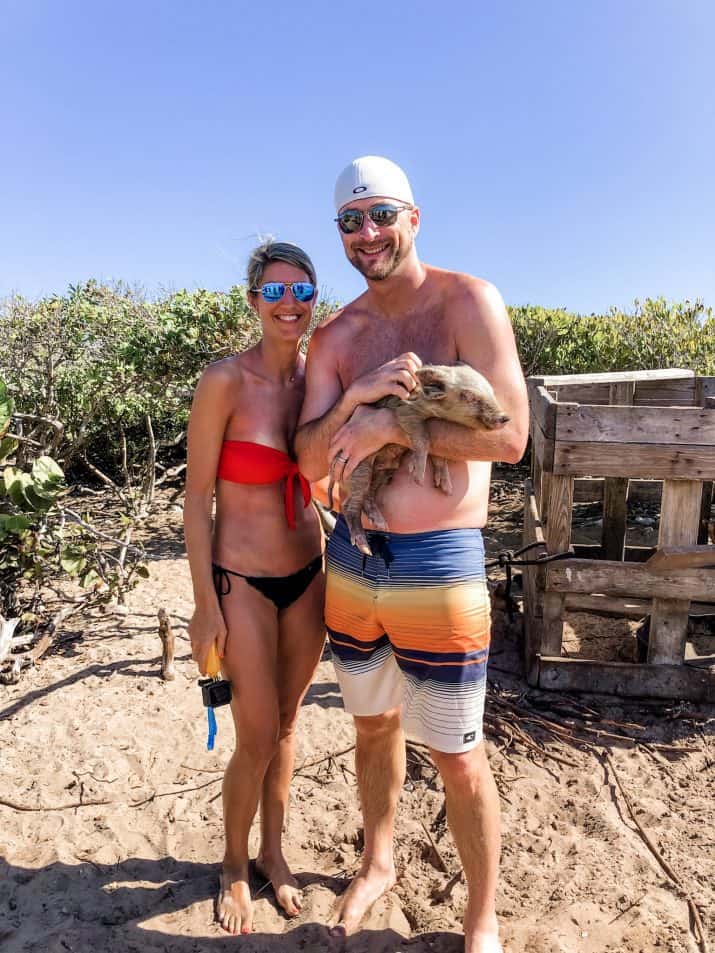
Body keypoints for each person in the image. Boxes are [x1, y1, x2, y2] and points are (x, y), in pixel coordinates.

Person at [294, 157, 529, 953]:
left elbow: (509, 435)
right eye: (351, 222)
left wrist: (396, 428)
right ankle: (378, 861)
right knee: (370, 728)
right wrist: (359, 399)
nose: (367, 233)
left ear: (413, 216)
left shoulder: (467, 301)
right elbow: (306, 457)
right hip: (353, 562)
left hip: (440, 560)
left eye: (381, 215)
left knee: (457, 755)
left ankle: (480, 917)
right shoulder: (337, 338)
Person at [184, 240, 326, 936]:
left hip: (309, 575)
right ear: (252, 302)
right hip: (240, 580)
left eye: (301, 291)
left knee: (291, 726)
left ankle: (273, 849)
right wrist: (204, 603)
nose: (289, 304)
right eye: (274, 292)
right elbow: (194, 500)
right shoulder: (225, 381)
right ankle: (234, 863)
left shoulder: (317, 379)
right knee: (256, 733)